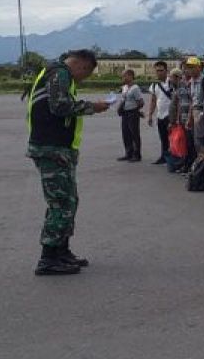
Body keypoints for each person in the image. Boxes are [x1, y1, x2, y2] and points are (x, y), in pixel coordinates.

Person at [26, 50, 111, 275]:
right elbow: (60, 106)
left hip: (58, 149)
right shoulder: (60, 73)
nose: (82, 79)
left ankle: (61, 251)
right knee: (61, 203)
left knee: (69, 202)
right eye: (86, 74)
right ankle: (48, 258)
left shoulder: (56, 72)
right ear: (81, 65)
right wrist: (93, 106)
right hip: (50, 148)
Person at [147, 60, 173, 165]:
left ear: (166, 71)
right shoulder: (154, 85)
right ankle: (164, 156)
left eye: (161, 70)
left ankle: (173, 158)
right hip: (160, 115)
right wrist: (150, 115)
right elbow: (153, 100)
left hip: (170, 115)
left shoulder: (171, 83)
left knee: (172, 138)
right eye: (157, 71)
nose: (159, 73)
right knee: (163, 138)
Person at [116, 68, 144, 162]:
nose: (122, 77)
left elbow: (141, 102)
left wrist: (136, 110)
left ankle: (137, 155)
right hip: (125, 113)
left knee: (134, 134)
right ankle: (128, 153)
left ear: (130, 76)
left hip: (132, 113)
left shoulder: (135, 88)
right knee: (126, 133)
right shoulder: (125, 87)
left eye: (124, 76)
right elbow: (123, 99)